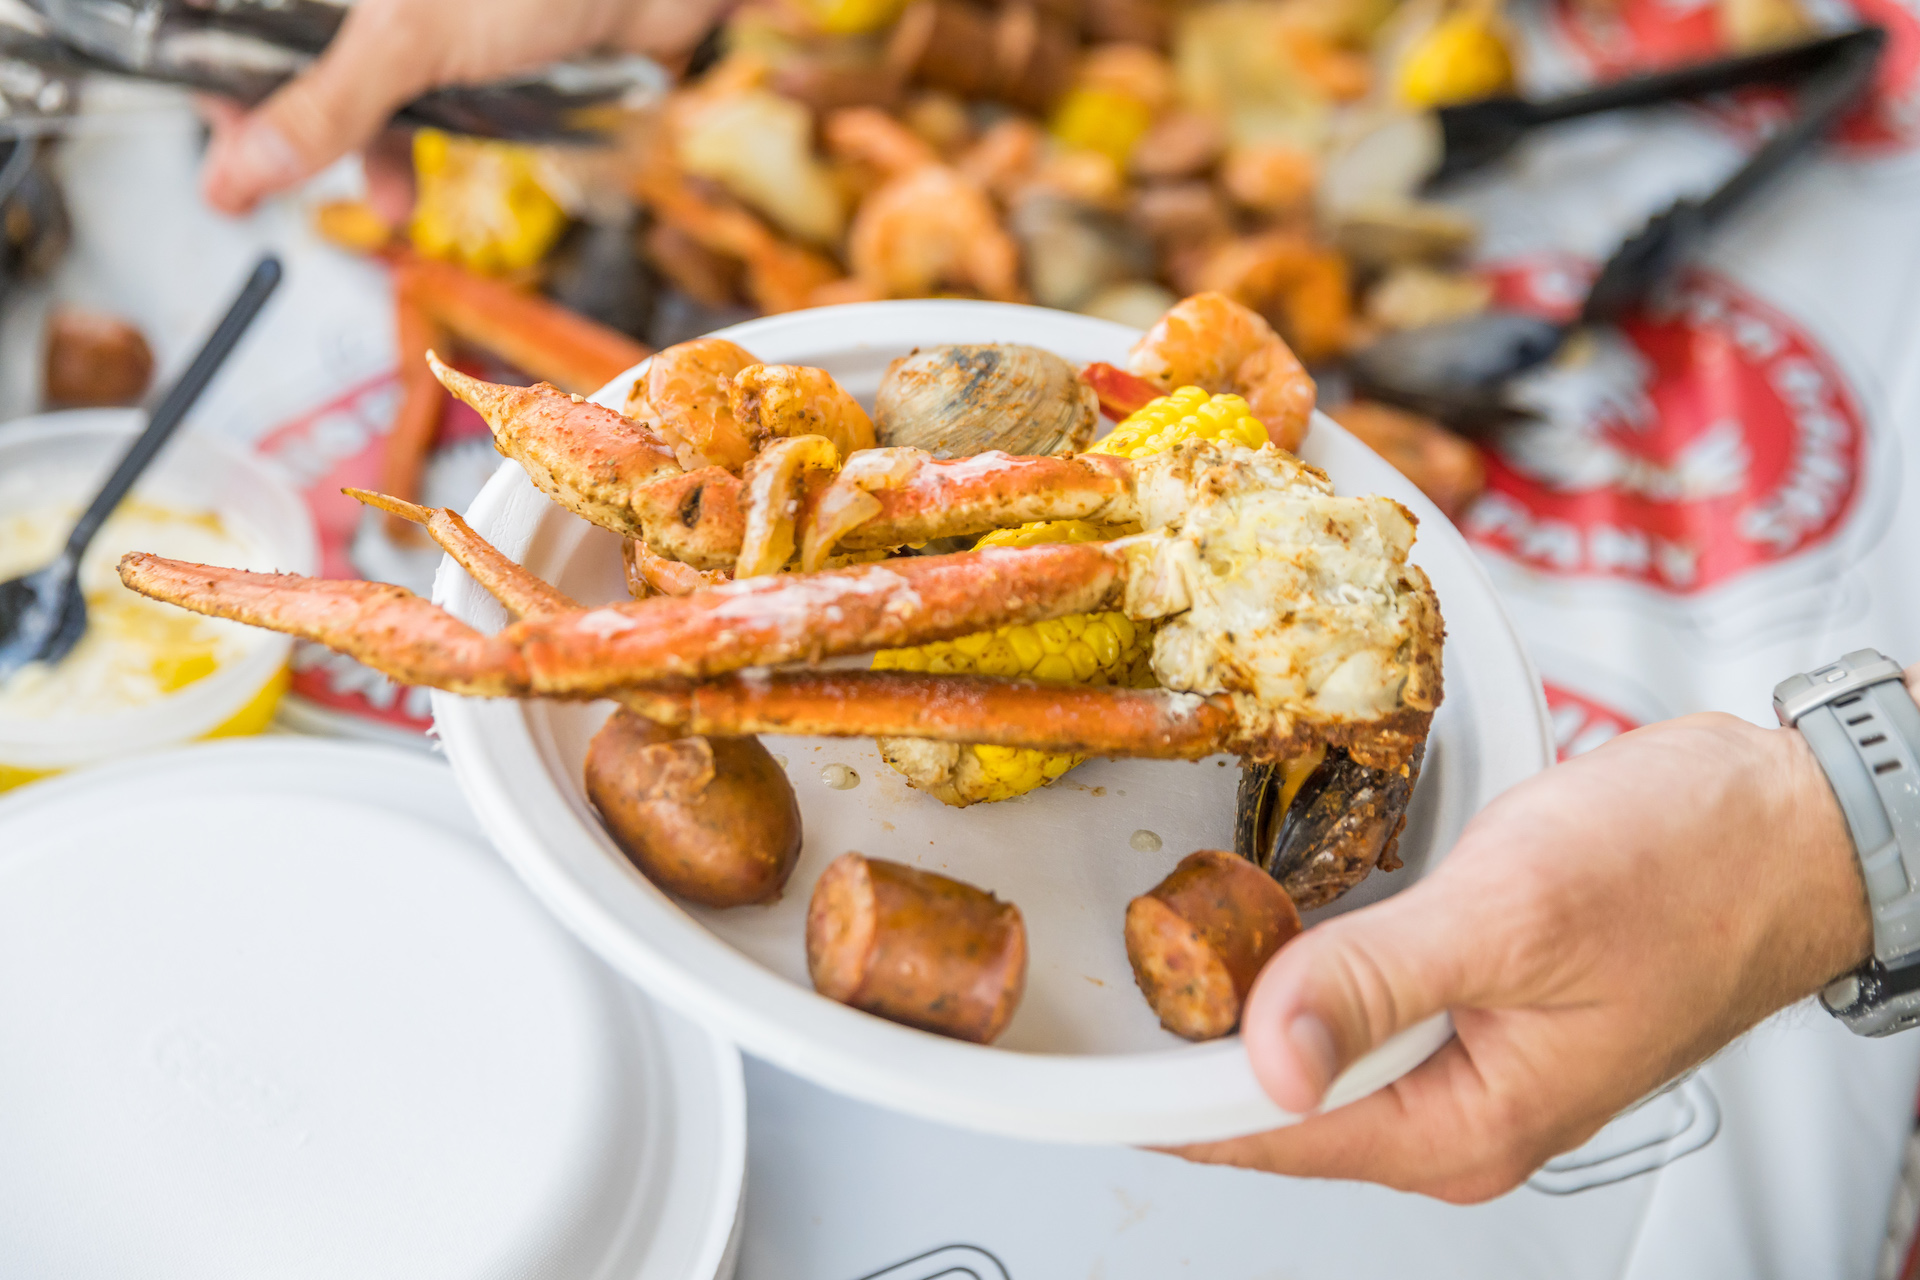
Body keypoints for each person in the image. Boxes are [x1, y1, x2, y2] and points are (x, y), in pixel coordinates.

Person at [195, 0, 1916, 1204]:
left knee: (727, 666)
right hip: (1196, 570)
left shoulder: (1140, 532)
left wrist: (1821, 842)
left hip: (1214, 630)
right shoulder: (1125, 480)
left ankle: (498, 620)